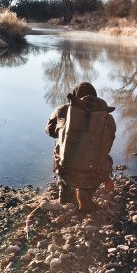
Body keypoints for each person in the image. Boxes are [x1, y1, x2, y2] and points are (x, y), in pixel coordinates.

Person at [46, 82, 116, 212]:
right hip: (93, 170)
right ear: (95, 96)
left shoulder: (62, 110)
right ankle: (86, 193)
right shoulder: (106, 116)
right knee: (105, 157)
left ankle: (66, 195)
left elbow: (50, 132)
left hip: (66, 167)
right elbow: (109, 142)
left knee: (59, 150)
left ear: (74, 96)